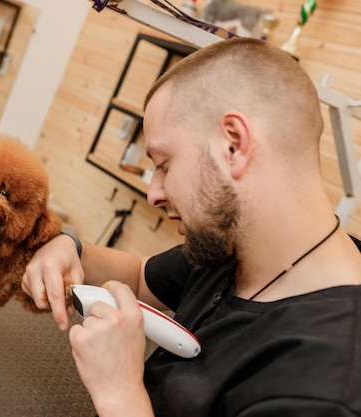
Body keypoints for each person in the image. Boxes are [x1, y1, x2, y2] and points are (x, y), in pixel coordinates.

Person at [22, 37, 361, 417]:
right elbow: (137, 278)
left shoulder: (327, 386)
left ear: (233, 145)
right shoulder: (234, 246)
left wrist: (119, 395)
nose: (154, 193)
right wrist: (68, 247)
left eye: (164, 164)